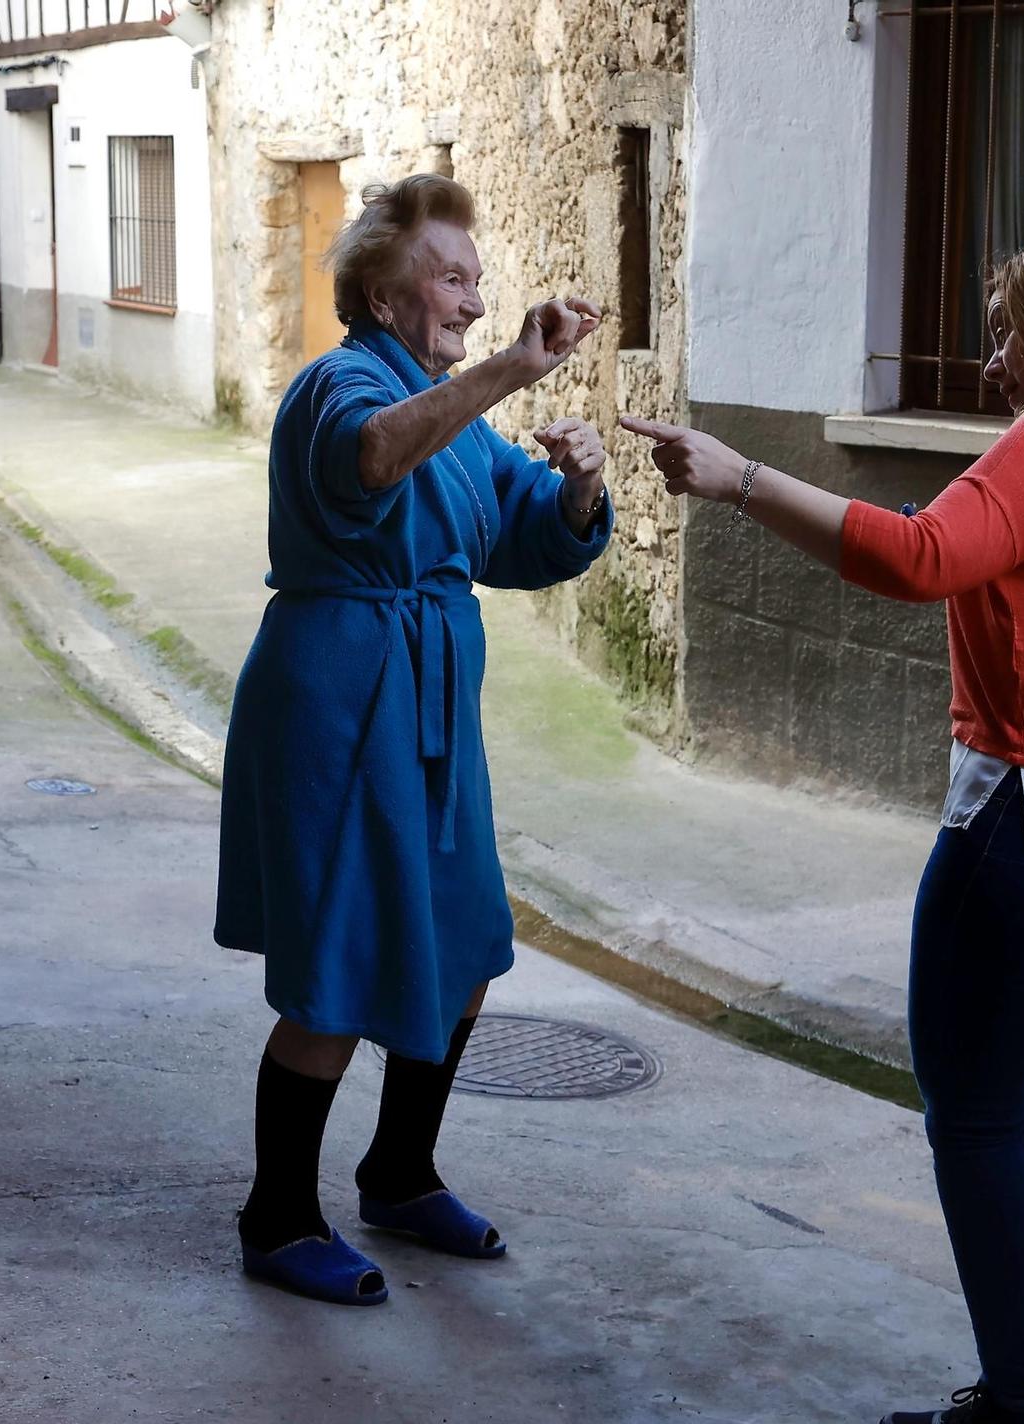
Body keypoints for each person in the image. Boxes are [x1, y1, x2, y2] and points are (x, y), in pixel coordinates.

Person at [622, 234, 1024, 1424]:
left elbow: (920, 556)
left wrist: (741, 477)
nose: (991, 361)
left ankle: (1018, 1402)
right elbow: (994, 555)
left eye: (1005, 331)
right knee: (999, 1086)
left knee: (969, 1106)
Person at [215, 174, 613, 1307]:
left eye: (477, 282)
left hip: (434, 716)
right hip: (337, 707)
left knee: (464, 941)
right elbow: (371, 458)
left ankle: (398, 1170)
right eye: (452, 278)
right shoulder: (338, 383)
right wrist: (508, 375)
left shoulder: (455, 411)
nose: (476, 303)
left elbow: (520, 534)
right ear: (384, 296)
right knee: (340, 966)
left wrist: (578, 493)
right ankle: (278, 1214)